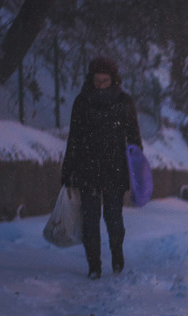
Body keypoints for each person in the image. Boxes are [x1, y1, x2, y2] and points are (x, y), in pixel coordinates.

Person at [61, 57, 142, 279]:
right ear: (91, 79)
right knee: (90, 219)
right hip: (87, 168)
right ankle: (94, 265)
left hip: (115, 168)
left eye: (105, 81)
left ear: (113, 80)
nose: (100, 85)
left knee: (114, 218)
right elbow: (74, 138)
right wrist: (68, 171)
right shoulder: (82, 102)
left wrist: (137, 172)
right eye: (97, 81)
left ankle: (117, 255)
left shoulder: (124, 102)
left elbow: (134, 138)